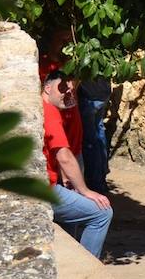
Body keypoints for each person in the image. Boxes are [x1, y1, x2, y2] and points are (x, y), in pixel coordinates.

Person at [42, 70, 113, 259]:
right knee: (102, 213)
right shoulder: (49, 113)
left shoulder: (45, 108)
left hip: (45, 184)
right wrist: (86, 191)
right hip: (45, 190)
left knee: (71, 219)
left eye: (71, 90)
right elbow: (63, 155)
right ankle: (88, 266)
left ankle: (68, 261)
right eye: (62, 87)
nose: (67, 92)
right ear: (47, 88)